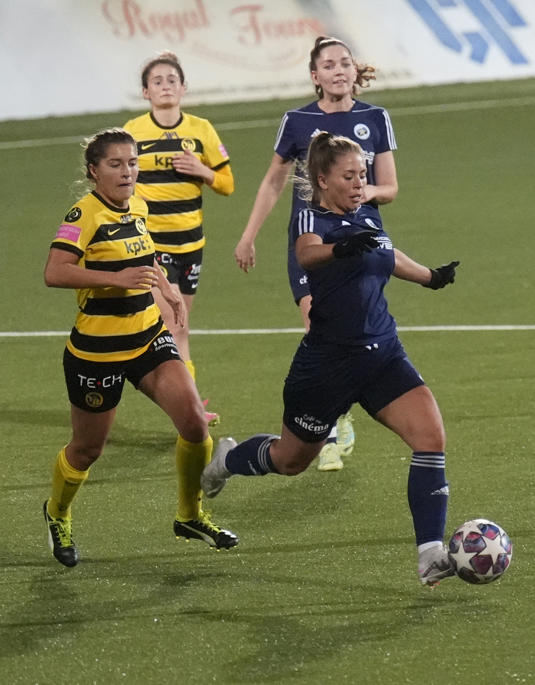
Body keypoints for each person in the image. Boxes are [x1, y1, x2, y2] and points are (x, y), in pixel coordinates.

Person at [202, 132, 459, 586]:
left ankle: (430, 552)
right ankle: (227, 459)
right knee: (291, 460)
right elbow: (307, 253)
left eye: (363, 173)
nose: (360, 182)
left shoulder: (365, 213)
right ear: (323, 179)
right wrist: (340, 248)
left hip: (382, 354)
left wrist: (430, 277)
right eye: (349, 175)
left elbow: (387, 253)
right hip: (326, 366)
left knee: (431, 437)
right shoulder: (310, 215)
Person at [42, 128, 238, 568]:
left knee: (193, 425)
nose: (127, 171)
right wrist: (116, 279)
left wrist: (166, 289)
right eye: (116, 164)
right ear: (94, 171)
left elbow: (145, 257)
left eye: (132, 163)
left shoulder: (138, 205)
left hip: (148, 337)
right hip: (99, 351)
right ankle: (57, 512)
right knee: (87, 450)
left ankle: (189, 516)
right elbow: (55, 271)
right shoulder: (83, 214)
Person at [233, 36, 397, 471]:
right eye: (328, 65)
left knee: (352, 324)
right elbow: (273, 181)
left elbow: (391, 187)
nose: (338, 70)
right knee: (316, 321)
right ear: (314, 76)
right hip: (310, 243)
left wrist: (364, 192)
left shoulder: (374, 117)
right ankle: (328, 425)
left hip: (362, 242)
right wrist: (248, 235)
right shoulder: (297, 121)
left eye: (345, 63)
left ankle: (336, 414)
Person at [124, 51, 235, 425]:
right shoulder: (133, 133)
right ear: (145, 92)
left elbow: (227, 184)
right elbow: (118, 183)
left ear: (183, 87)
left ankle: (190, 408)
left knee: (181, 326)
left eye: (172, 79)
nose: (165, 86)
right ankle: (190, 412)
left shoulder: (201, 130)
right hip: (154, 246)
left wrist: (202, 169)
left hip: (192, 244)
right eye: (157, 81)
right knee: (172, 326)